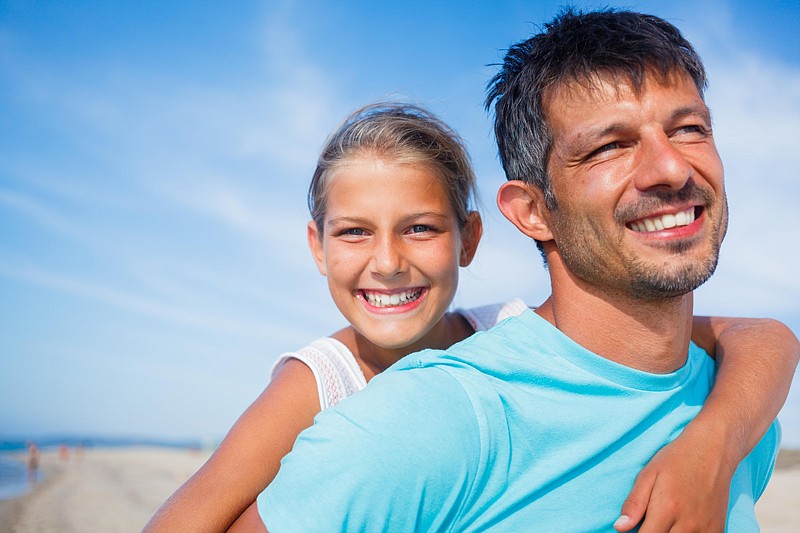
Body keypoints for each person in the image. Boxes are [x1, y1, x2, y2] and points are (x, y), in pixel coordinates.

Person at [250, 9, 799, 533]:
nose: (672, 168)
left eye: (689, 129)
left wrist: (718, 441)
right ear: (533, 212)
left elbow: (765, 335)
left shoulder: (736, 408)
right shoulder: (433, 420)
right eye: (610, 146)